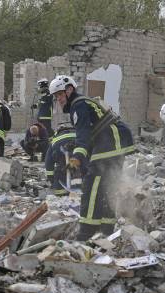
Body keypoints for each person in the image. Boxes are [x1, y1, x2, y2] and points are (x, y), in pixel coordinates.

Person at [49, 75, 134, 241]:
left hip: (111, 140)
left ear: (69, 90)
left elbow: (84, 134)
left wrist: (76, 158)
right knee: (108, 185)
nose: (58, 99)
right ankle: (106, 227)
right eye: (56, 96)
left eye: (59, 94)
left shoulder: (77, 104)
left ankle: (87, 230)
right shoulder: (82, 102)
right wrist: (76, 147)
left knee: (92, 183)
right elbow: (88, 131)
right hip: (116, 138)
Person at [45, 124, 77, 196]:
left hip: (59, 148)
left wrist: (51, 179)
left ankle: (61, 195)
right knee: (79, 168)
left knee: (61, 169)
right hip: (77, 144)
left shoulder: (55, 139)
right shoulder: (77, 131)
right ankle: (82, 191)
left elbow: (48, 162)